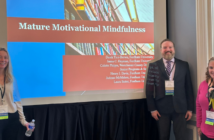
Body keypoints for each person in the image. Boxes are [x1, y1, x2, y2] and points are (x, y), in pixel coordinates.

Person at [146, 39, 194, 140]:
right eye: (165, 48)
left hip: (180, 108)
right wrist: (152, 109)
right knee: (163, 137)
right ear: (161, 50)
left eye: (170, 47)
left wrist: (190, 108)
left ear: (174, 49)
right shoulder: (153, 66)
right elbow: (149, 89)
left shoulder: (184, 65)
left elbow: (188, 88)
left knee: (181, 137)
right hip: (161, 109)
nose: (168, 50)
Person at [0, 48, 30, 140]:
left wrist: (24, 121)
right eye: (0, 57)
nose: (3, 60)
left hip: (12, 118)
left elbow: (17, 101)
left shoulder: (12, 79)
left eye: (5, 57)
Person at [196, 57, 214, 140]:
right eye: (211, 68)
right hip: (205, 131)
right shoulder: (203, 85)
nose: (213, 70)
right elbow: (198, 106)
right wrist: (199, 125)